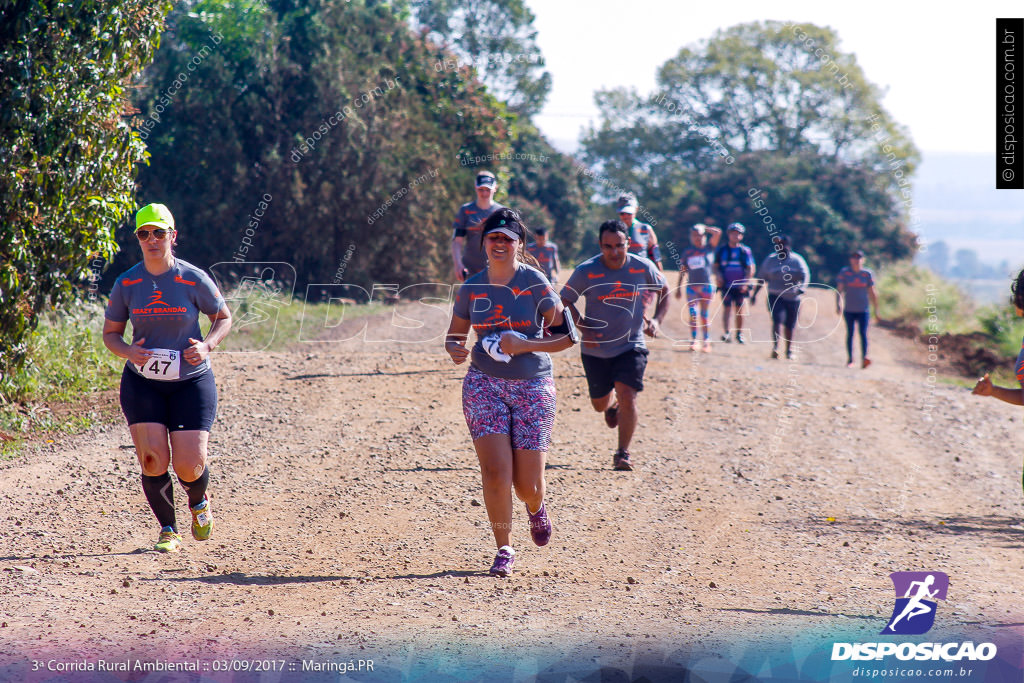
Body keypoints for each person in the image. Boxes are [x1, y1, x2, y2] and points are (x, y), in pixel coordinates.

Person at [445, 208, 578, 577]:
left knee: (527, 486)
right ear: (484, 243)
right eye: (493, 238)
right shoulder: (472, 286)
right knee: (494, 472)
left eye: (507, 239)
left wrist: (524, 344)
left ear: (519, 244)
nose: (499, 244)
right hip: (482, 384)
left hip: (533, 386)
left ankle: (537, 508)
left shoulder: (535, 282)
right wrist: (454, 348)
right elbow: (455, 336)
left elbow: (567, 337)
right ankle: (503, 548)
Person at [102, 203, 232, 553]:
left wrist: (207, 346)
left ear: (173, 236)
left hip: (190, 382)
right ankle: (168, 529)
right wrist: (129, 351)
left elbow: (223, 317)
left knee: (189, 466)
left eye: (159, 232)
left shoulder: (192, 278)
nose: (152, 239)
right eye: (144, 234)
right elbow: (111, 334)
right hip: (142, 383)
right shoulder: (127, 282)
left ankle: (199, 501)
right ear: (138, 240)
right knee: (152, 459)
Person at [561, 220, 670, 471]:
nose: (614, 252)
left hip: (631, 344)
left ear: (628, 244)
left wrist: (656, 320)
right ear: (600, 246)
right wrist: (582, 326)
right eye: (607, 246)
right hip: (595, 349)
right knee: (599, 404)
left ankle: (623, 453)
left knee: (628, 394)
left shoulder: (642, 266)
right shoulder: (587, 270)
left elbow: (665, 290)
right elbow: (563, 300)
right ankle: (611, 406)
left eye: (619, 245)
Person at [751, 235, 810, 360]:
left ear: (788, 246)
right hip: (775, 296)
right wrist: (755, 294)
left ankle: (789, 349)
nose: (780, 248)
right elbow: (762, 277)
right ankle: (776, 347)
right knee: (777, 320)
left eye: (783, 245)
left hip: (792, 297)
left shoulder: (797, 260)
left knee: (790, 324)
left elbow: (805, 275)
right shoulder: (770, 260)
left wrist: (802, 288)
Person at [675, 223, 722, 352]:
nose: (698, 238)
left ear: (704, 236)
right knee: (693, 314)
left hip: (707, 287)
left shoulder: (709, 248)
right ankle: (694, 340)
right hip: (692, 287)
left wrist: (704, 228)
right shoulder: (688, 252)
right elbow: (683, 270)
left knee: (704, 315)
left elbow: (718, 232)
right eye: (695, 235)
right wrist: (678, 287)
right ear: (691, 237)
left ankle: (706, 341)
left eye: (700, 235)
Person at [451, 171, 505, 281]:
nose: (484, 193)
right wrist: (458, 264)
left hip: (496, 269)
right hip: (470, 269)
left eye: (488, 190)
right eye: (481, 189)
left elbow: (509, 243)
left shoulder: (502, 212)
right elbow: (457, 241)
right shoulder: (465, 210)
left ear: (495, 188)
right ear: (476, 188)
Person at [835, 250, 879, 368]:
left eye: (859, 258)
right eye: (854, 258)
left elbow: (872, 291)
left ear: (863, 260)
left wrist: (876, 309)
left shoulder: (867, 274)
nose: (856, 260)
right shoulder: (845, 273)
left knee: (863, 334)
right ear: (851, 260)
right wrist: (838, 303)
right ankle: (850, 359)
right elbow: (839, 289)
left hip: (863, 309)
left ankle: (864, 357)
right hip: (849, 309)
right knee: (850, 333)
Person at [714, 223, 755, 343]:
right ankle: (727, 332)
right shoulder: (722, 250)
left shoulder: (745, 251)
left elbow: (750, 268)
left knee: (739, 309)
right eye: (733, 233)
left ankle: (739, 334)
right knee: (726, 308)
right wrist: (718, 276)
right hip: (726, 285)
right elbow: (716, 266)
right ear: (728, 235)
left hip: (740, 286)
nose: (735, 236)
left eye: (738, 234)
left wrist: (745, 283)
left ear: (742, 236)